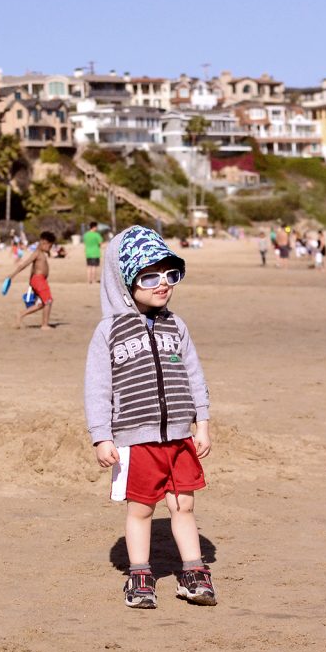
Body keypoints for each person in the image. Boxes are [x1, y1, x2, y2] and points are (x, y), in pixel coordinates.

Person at [84, 225, 215, 609]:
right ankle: (140, 575)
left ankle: (193, 571)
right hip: (135, 439)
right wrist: (101, 435)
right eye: (150, 276)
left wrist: (201, 422)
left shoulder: (177, 325)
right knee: (141, 508)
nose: (163, 284)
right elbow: (98, 387)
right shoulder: (109, 330)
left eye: (170, 274)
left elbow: (194, 375)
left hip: (178, 437)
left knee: (184, 505)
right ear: (125, 281)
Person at [7, 231, 56, 330]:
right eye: (49, 246)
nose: (49, 249)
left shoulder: (42, 252)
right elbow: (25, 264)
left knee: (41, 303)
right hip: (39, 280)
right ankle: (44, 325)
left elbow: (33, 269)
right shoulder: (37, 253)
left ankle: (21, 314)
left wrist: (31, 283)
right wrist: (13, 275)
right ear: (43, 243)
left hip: (38, 280)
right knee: (48, 301)